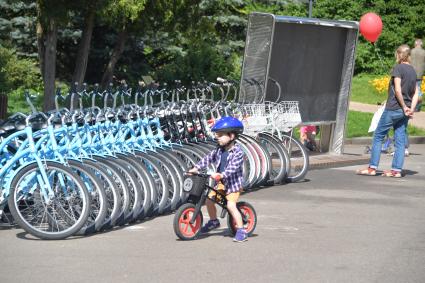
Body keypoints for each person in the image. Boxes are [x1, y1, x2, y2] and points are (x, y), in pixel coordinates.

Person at [357, 44, 419, 178]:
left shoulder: (398, 68)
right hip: (405, 111)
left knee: (378, 136)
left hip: (394, 108)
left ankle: (372, 168)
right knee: (400, 141)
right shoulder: (413, 71)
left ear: (399, 55)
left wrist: (403, 106)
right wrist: (411, 109)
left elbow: (397, 90)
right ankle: (396, 171)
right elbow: (416, 93)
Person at [188, 116, 247, 242]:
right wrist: (196, 168)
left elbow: (233, 168)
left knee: (231, 206)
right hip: (221, 183)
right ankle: (214, 221)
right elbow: (208, 158)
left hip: (233, 185)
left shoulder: (238, 152)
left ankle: (242, 230)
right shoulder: (219, 150)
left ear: (231, 136)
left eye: (220, 135)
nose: (217, 137)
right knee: (209, 201)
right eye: (217, 134)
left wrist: (222, 175)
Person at [411, 38, 425, 112]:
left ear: (416, 44)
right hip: (420, 74)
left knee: (411, 89)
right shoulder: (424, 52)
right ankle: (417, 107)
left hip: (411, 73)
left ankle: (412, 105)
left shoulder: (411, 51)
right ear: (421, 44)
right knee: (418, 89)